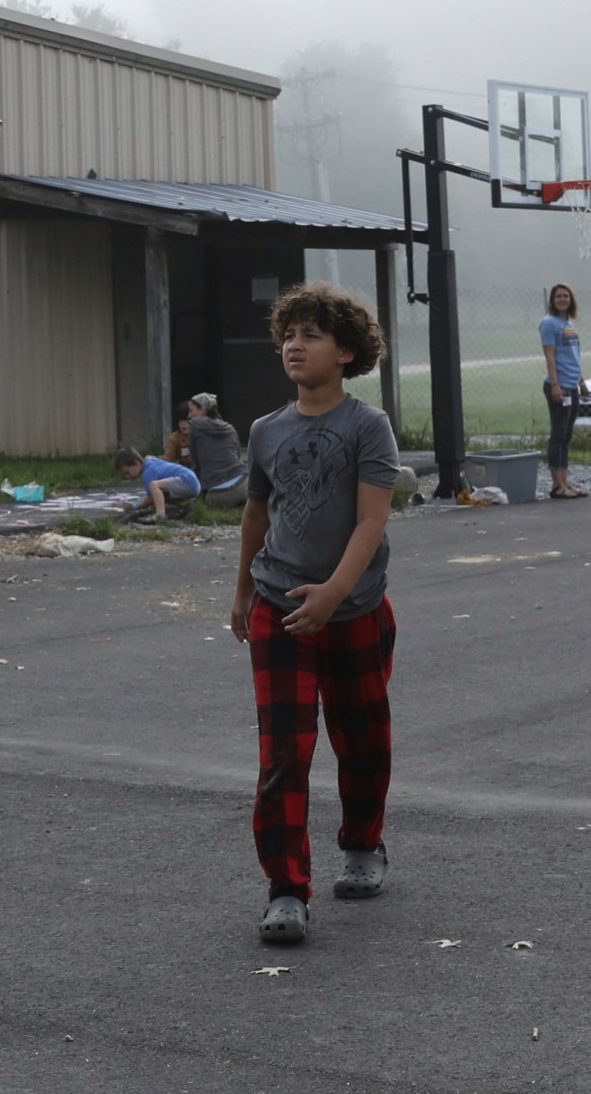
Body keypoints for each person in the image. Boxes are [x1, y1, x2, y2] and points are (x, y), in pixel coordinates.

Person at [230, 282, 400, 948]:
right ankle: (286, 890)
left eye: (311, 335)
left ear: (347, 351)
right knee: (283, 752)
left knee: (362, 739)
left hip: (353, 608)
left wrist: (333, 592)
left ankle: (363, 843)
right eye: (288, 335)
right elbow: (255, 515)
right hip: (279, 607)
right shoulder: (267, 430)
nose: (294, 346)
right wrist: (243, 590)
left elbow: (371, 520)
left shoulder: (368, 426)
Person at [538, 284, 590, 500]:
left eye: (565, 296)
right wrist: (555, 386)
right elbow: (550, 356)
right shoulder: (549, 323)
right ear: (552, 300)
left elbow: (573, 355)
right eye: (558, 296)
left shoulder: (568, 323)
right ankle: (557, 485)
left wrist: (581, 381)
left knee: (566, 435)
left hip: (572, 384)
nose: (562, 299)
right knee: (558, 435)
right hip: (559, 385)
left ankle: (566, 482)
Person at [184, 394, 250, 509]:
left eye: (191, 411)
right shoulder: (229, 428)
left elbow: (195, 462)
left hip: (218, 493)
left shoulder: (195, 425)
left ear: (203, 410)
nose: (189, 416)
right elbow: (237, 455)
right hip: (244, 483)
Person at [114, 446, 200, 522]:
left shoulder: (148, 472)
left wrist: (134, 506)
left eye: (127, 473)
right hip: (191, 480)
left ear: (137, 463)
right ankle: (184, 504)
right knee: (159, 496)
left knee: (154, 486)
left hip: (187, 481)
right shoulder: (149, 462)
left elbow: (151, 498)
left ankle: (160, 515)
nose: (127, 477)